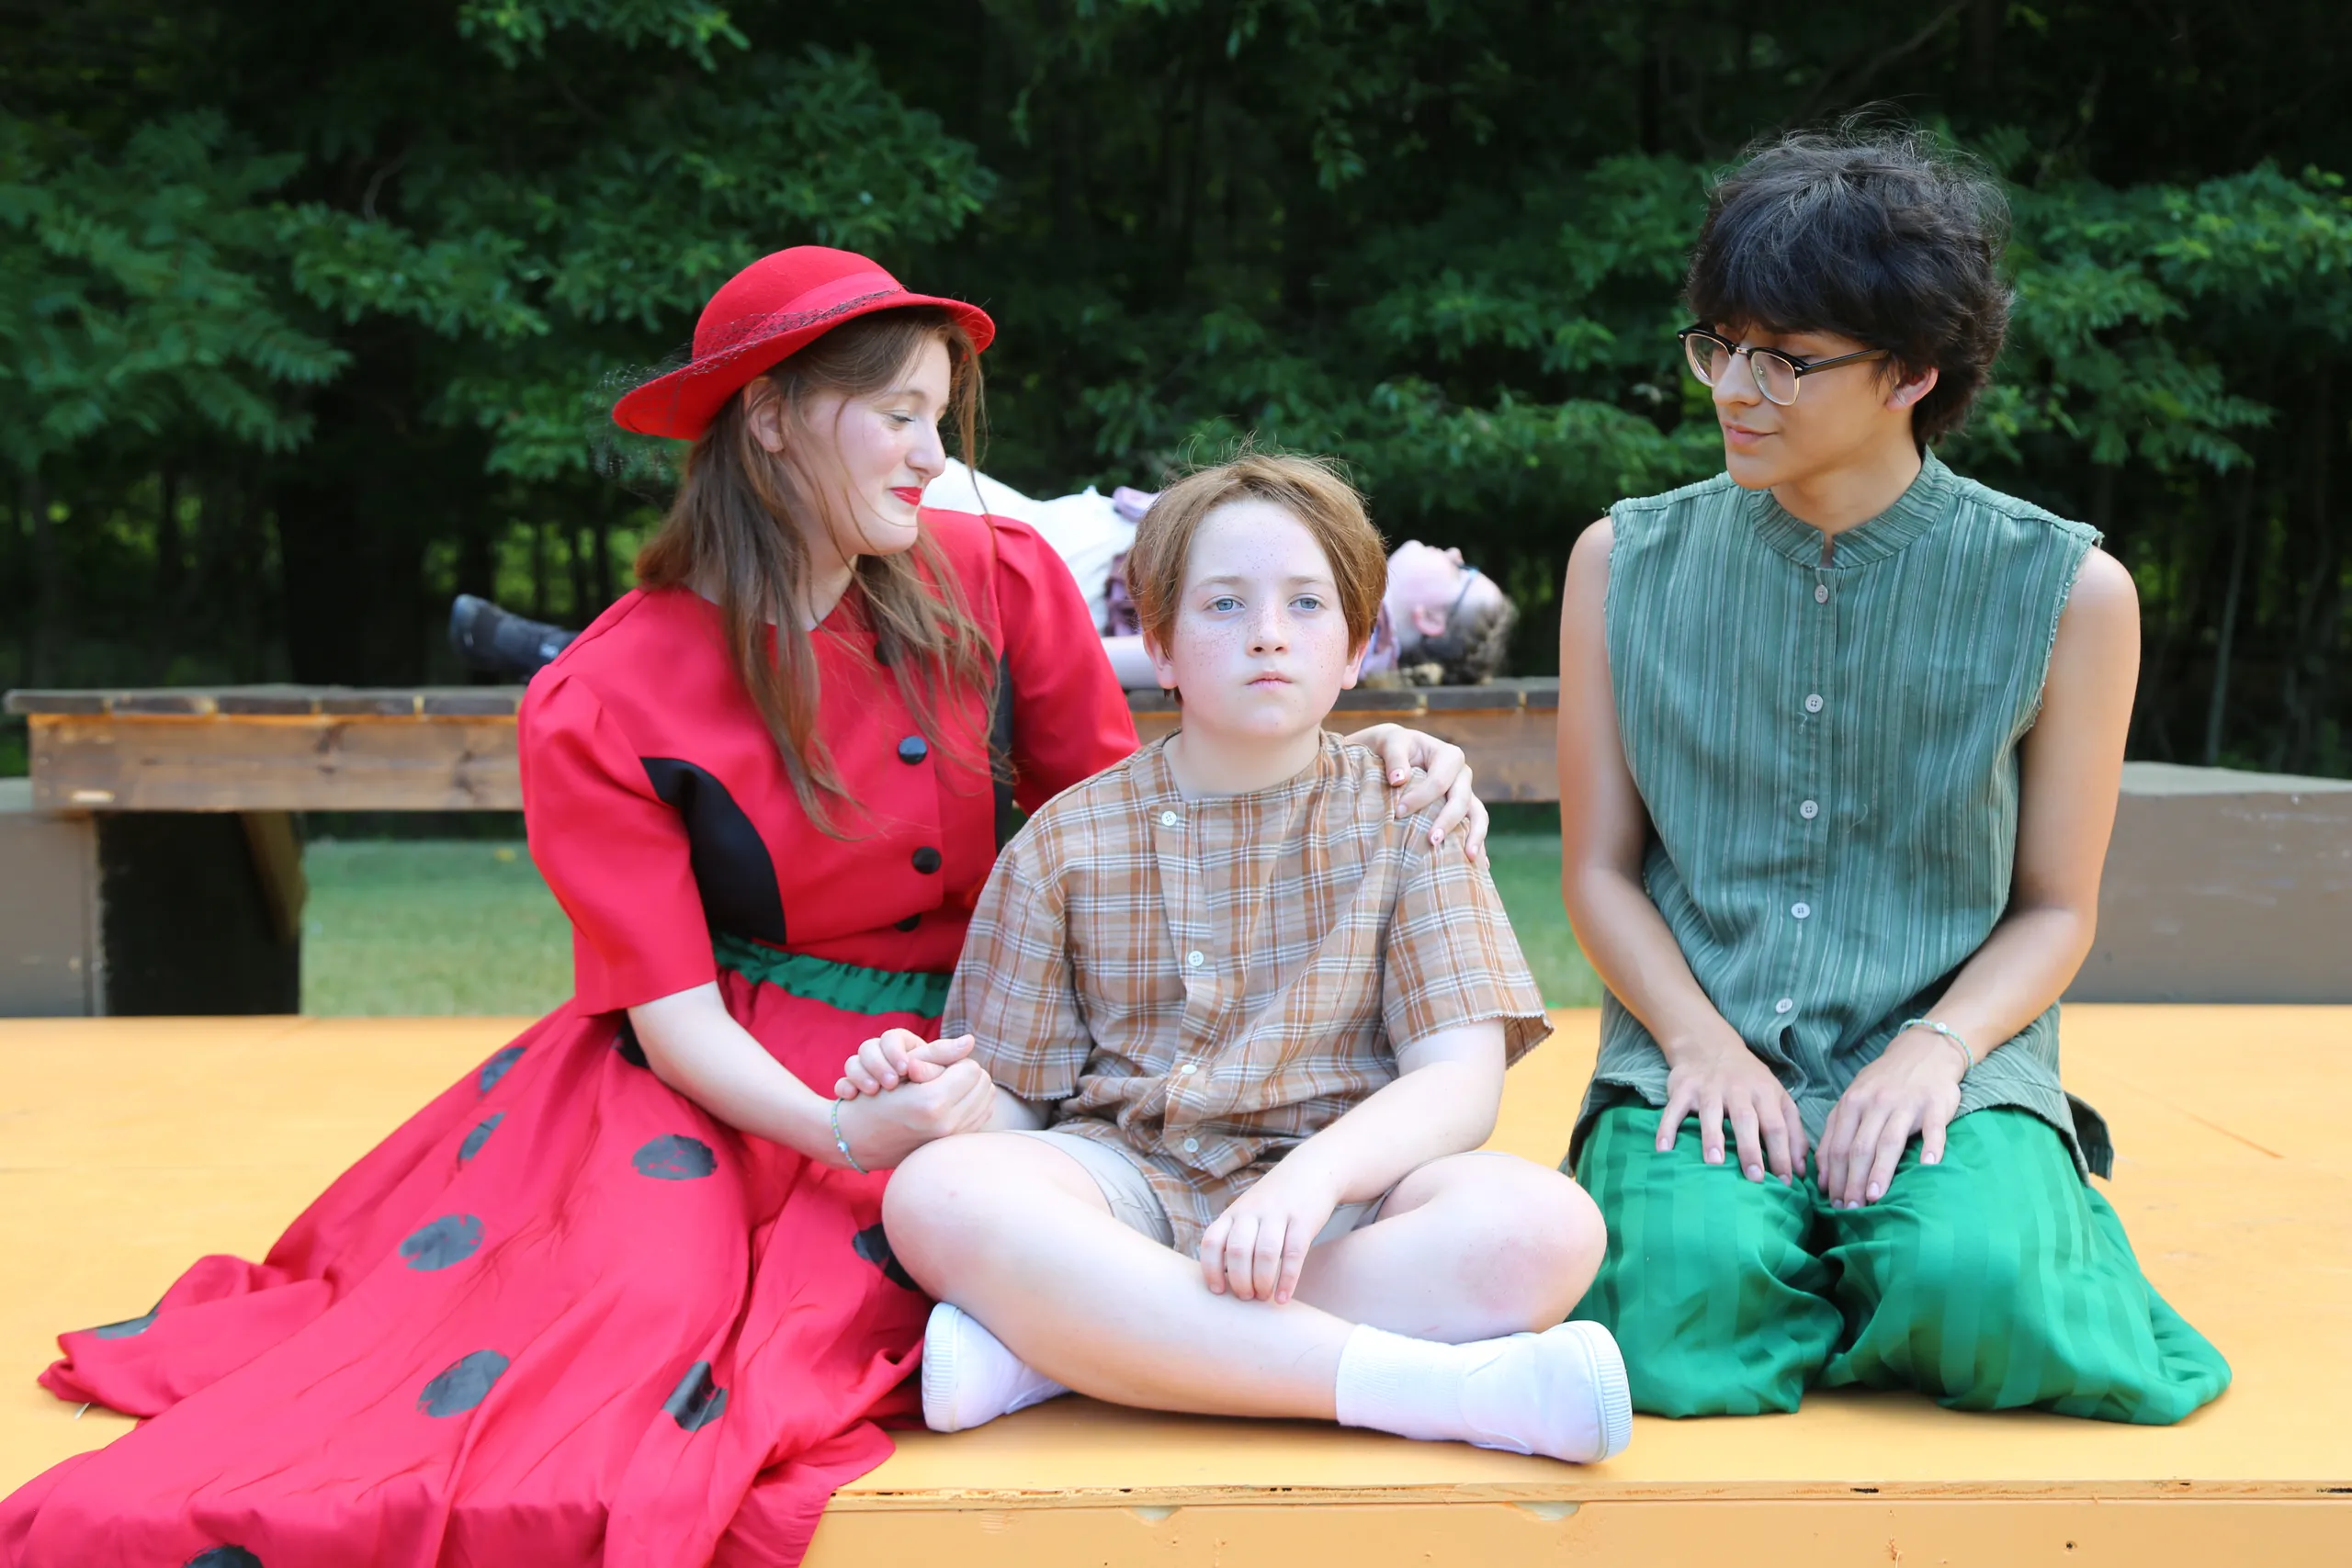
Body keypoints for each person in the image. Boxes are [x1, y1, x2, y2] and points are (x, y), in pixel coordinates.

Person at [0, 247, 1490, 1568]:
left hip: (1005, 1032)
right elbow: (672, 1013)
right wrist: (843, 1132)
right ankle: (1122, 1332)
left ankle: (1076, 1328)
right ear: (770, 418)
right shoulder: (605, 692)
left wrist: (1361, 752)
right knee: (628, 1350)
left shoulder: (1002, 579)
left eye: (938, 417)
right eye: (897, 414)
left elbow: (1142, 829)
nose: (934, 453)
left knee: (998, 1235)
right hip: (734, 1071)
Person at [1554, 126, 2232, 1422]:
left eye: (1786, 359)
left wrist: (1937, 1049)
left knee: (1983, 1288)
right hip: (1695, 1040)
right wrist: (1699, 1043)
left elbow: (2055, 907)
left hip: (1948, 1048)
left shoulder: (2070, 592)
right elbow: (1596, 872)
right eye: (1717, 345)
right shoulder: (1622, 564)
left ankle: (1955, 1228)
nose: (1734, 388)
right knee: (1676, 1315)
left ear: (1913, 372)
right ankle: (1805, 1256)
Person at [842, 453, 1632, 1466]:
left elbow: (1458, 1084)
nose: (1267, 632)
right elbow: (1017, 1101)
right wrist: (936, 1096)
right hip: (1123, 1185)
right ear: (1159, 645)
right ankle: (1431, 1388)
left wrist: (1311, 1182)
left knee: (1545, 1227)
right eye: (1223, 604)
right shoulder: (1064, 840)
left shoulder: (1413, 816)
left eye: (1307, 603)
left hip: (1342, 1200)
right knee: (938, 1192)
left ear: (1357, 647)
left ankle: (1076, 1343)